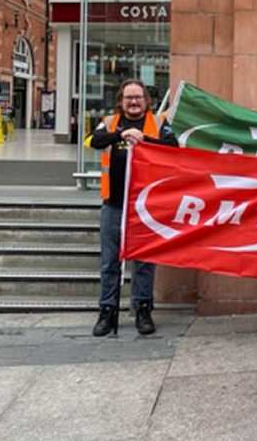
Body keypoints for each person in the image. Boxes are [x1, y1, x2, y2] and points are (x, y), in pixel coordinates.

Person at [89, 80, 177, 336]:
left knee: (145, 262)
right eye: (128, 98)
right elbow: (94, 140)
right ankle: (107, 311)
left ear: (146, 101)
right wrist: (121, 135)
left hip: (146, 207)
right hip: (114, 206)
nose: (134, 102)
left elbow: (174, 147)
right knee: (109, 263)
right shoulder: (109, 122)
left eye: (138, 97)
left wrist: (145, 140)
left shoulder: (159, 124)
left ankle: (143, 310)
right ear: (121, 101)